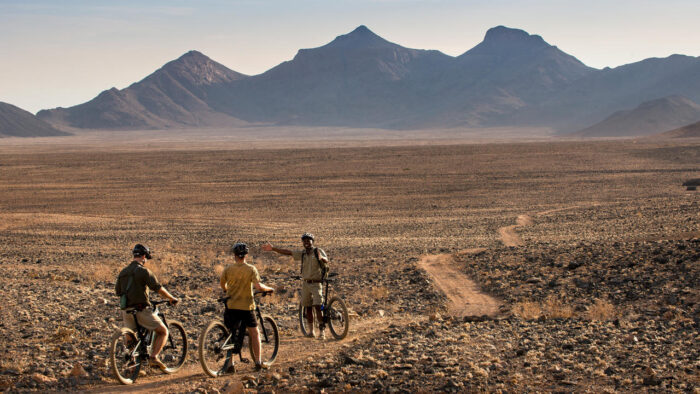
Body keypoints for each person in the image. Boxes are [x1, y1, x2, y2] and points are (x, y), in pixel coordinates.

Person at [115, 244, 179, 371]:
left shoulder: (123, 272)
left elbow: (118, 291)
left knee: (131, 335)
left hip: (126, 310)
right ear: (144, 256)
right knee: (163, 331)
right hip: (140, 309)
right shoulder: (144, 271)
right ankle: (154, 357)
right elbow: (158, 288)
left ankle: (133, 365)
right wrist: (171, 298)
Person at [262, 233, 329, 339]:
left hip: (316, 283)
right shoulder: (302, 254)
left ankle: (322, 331)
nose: (306, 242)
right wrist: (273, 249)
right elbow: (288, 252)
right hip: (306, 283)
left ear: (312, 241)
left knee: (317, 306)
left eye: (308, 240)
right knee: (308, 307)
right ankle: (311, 331)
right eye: (304, 240)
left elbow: (326, 260)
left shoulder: (318, 251)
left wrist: (321, 258)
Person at [221, 242, 275, 371]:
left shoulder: (228, 269)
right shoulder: (251, 269)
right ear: (246, 255)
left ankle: (230, 364)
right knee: (255, 333)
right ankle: (258, 362)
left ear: (234, 255)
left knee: (231, 333)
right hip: (246, 306)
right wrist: (269, 288)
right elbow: (258, 287)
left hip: (231, 305)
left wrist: (229, 291)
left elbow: (223, 285)